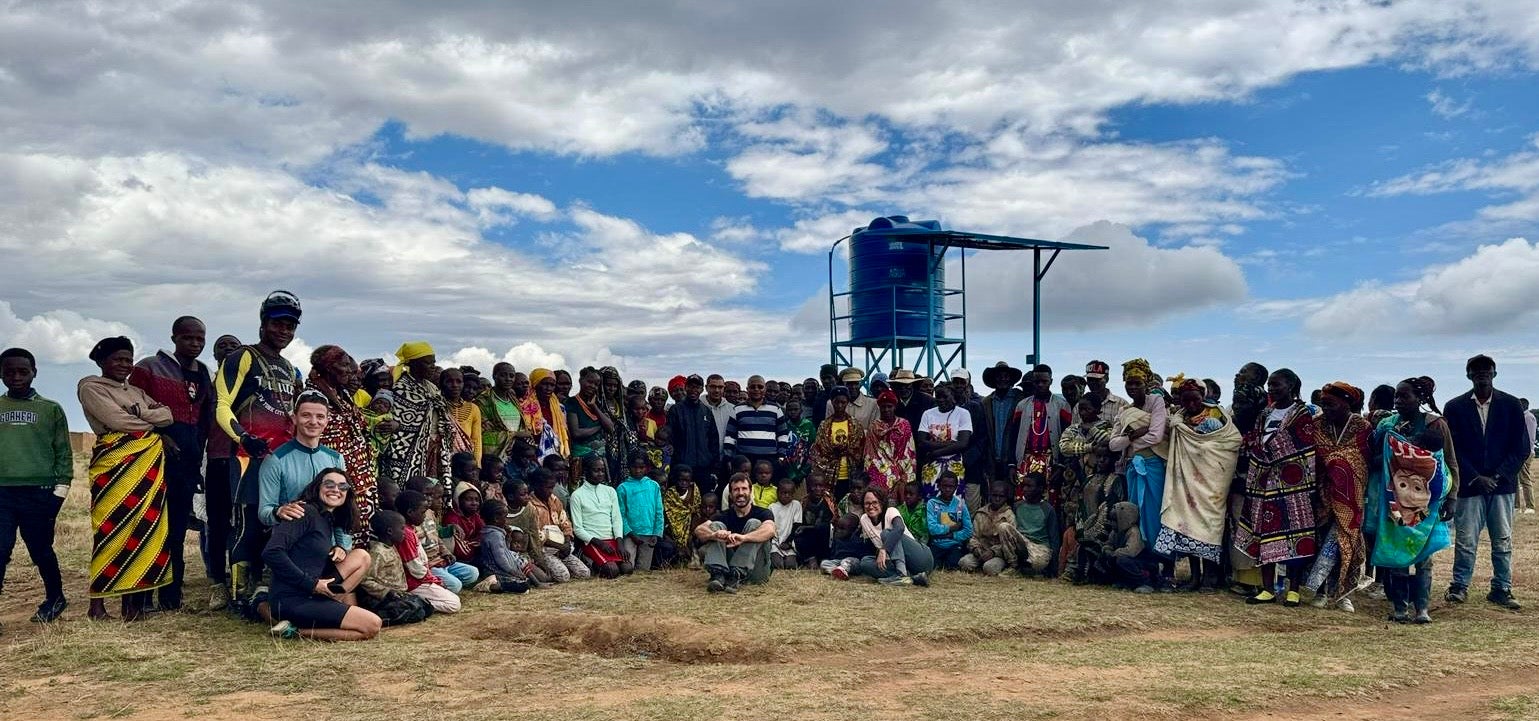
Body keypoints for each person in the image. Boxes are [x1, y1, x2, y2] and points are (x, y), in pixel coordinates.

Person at [215, 291, 304, 607]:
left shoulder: (292, 370)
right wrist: (242, 437)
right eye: (278, 324)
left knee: (281, 525)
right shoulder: (242, 357)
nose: (284, 331)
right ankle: (238, 597)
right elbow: (221, 403)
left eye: (290, 326)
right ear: (263, 323)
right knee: (247, 525)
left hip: (282, 461)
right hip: (246, 458)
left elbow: (296, 413)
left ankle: (268, 589)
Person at [79, 336, 176, 621]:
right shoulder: (91, 387)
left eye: (128, 359)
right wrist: (149, 421)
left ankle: (130, 606)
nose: (124, 365)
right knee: (111, 531)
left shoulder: (135, 392)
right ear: (101, 362)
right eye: (118, 359)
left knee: (143, 532)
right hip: (114, 465)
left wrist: (140, 413)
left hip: (146, 465)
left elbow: (167, 415)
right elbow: (116, 421)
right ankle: (96, 606)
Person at [127, 316, 213, 611]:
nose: (195, 344)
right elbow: (132, 408)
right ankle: (139, 599)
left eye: (200, 339)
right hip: (152, 458)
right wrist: (160, 436)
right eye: (189, 338)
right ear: (174, 337)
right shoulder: (149, 367)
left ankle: (171, 597)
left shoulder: (204, 373)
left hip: (187, 463)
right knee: (148, 528)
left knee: (175, 531)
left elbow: (206, 418)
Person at [1371, 377, 1459, 624]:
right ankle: (1400, 609)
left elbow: (1449, 461)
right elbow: (1376, 460)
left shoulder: (1435, 424)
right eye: (1397, 396)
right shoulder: (1389, 425)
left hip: (1428, 504)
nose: (1398, 401)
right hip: (1395, 503)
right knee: (1398, 555)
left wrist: (1452, 498)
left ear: (1420, 399)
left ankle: (1422, 609)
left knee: (1423, 558)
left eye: (1404, 396)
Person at [1442, 354, 1526, 610]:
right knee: (1466, 540)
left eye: (1486, 370)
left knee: (1502, 539)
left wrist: (1497, 476)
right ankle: (1459, 586)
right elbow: (1452, 448)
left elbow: (1520, 447)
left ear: (1494, 373)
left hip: (1501, 486)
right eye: (1476, 371)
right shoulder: (1454, 407)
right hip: (1470, 485)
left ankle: (1502, 588)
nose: (1482, 374)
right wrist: (1474, 477)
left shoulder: (1511, 405)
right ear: (1468, 375)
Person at [261, 469, 381, 641]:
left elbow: (308, 550)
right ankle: (293, 631)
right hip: (294, 598)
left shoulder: (326, 519)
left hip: (312, 591)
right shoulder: (304, 512)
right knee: (372, 626)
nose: (336, 489)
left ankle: (332, 607)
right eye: (329, 484)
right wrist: (312, 584)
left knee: (362, 556)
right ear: (317, 488)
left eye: (342, 486)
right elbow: (271, 552)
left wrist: (336, 548)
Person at [0, 347, 73, 627]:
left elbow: (63, 452)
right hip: (2, 492)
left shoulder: (50, 409)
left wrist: (60, 490)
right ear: (1, 373)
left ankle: (55, 597)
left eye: (23, 371)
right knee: (0, 550)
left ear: (34, 372)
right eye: (9, 371)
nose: (16, 377)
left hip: (39, 492)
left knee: (41, 549)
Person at [1235, 368, 1318, 607]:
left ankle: (1293, 590)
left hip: (1293, 484)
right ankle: (1268, 588)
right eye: (1270, 385)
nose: (1271, 389)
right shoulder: (1266, 413)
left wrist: (1265, 453)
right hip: (1263, 482)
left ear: (1291, 386)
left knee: (1294, 535)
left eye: (1277, 385)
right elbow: (1256, 439)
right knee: (1264, 533)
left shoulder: (1302, 413)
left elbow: (1299, 444)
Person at [1153, 379, 1242, 592]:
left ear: (1203, 396)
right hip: (1187, 482)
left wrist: (1205, 448)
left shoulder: (1218, 415)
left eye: (1195, 399)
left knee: (1210, 526)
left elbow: (1231, 441)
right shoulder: (1179, 419)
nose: (1192, 404)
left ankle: (1210, 578)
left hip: (1212, 483)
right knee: (1188, 526)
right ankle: (1194, 577)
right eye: (1186, 400)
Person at [305, 345, 386, 545]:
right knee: (341, 529)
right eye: (344, 366)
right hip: (336, 475)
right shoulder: (314, 397)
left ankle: (360, 569)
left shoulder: (340, 393)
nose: (350, 371)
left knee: (361, 528)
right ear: (328, 367)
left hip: (358, 474)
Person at [258, 391, 349, 562]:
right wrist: (279, 511)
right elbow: (264, 512)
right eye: (306, 415)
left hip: (329, 549)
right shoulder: (275, 460)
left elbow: (342, 510)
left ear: (327, 421)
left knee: (362, 560)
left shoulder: (336, 459)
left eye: (320, 416)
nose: (313, 422)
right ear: (294, 418)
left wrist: (342, 546)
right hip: (294, 546)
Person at [1305, 382, 1372, 612]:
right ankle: (1320, 591)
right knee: (1320, 540)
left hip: (1351, 498)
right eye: (1323, 405)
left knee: (1346, 544)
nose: (1326, 410)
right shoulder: (1317, 425)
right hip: (1320, 493)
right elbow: (1311, 457)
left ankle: (1344, 593)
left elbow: (1362, 462)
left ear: (1346, 404)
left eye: (1331, 404)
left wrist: (1339, 464)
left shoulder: (1361, 427)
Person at [1108, 358, 1170, 586]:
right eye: (1129, 384)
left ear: (1145, 383)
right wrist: (1131, 436)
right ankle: (1140, 563)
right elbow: (1112, 445)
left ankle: (1161, 566)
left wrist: (1128, 441)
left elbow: (1156, 435)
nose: (1132, 388)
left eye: (1136, 383)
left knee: (1153, 516)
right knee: (1135, 515)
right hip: (1133, 469)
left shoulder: (1156, 402)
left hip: (1153, 468)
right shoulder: (1124, 410)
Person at [378, 342, 457, 489]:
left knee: (434, 491)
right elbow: (397, 420)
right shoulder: (400, 387)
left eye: (433, 362)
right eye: (427, 363)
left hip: (434, 448)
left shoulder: (432, 387)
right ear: (412, 364)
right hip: (410, 450)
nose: (432, 366)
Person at [201, 334, 242, 610]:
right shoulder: (208, 384)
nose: (227, 348)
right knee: (216, 525)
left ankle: (244, 584)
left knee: (246, 524)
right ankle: (218, 583)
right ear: (214, 353)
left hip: (247, 460)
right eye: (222, 345)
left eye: (233, 345)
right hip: (216, 459)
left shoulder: (249, 381)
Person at [696, 473, 777, 593]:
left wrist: (744, 538)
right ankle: (718, 575)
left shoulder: (763, 513)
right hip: (728, 572)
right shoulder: (723, 515)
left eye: (744, 489)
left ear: (750, 491)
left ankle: (737, 574)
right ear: (730, 494)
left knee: (754, 523)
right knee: (715, 526)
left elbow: (770, 530)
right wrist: (714, 535)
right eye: (736, 490)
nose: (740, 493)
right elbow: (699, 530)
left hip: (756, 571)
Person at [355, 510, 433, 626]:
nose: (404, 532)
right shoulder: (378, 552)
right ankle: (380, 618)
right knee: (413, 610)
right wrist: (387, 592)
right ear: (390, 531)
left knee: (426, 606)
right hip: (382, 597)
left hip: (399, 593)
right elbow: (365, 579)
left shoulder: (391, 547)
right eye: (401, 529)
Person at [393, 492, 463, 613]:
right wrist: (434, 580)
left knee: (453, 595)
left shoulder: (410, 529)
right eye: (423, 512)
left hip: (422, 578)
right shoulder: (406, 534)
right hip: (414, 583)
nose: (425, 516)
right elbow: (415, 568)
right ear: (410, 512)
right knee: (454, 604)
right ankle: (413, 603)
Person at [1014, 365, 1073, 507]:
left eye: (1044, 381)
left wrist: (1060, 466)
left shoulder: (1062, 405)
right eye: (1037, 382)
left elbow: (1068, 435)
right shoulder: (1022, 405)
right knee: (1023, 500)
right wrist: (1012, 464)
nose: (1040, 385)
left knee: (1050, 501)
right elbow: (1013, 435)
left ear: (1051, 381)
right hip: (1025, 460)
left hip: (1051, 461)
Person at [856, 485, 934, 586]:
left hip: (920, 558)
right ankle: (912, 578)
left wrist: (884, 549)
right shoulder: (864, 519)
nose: (871, 506)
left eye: (875, 502)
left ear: (882, 503)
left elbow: (899, 528)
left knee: (886, 533)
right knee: (865, 562)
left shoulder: (891, 511)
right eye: (867, 503)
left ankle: (901, 574)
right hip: (900, 562)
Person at [568, 457, 631, 578]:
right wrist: (600, 544)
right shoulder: (577, 495)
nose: (600, 474)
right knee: (612, 571)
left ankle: (598, 563)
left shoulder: (610, 491)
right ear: (586, 471)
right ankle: (589, 561)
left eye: (602, 470)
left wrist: (620, 543)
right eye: (596, 470)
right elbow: (578, 528)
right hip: (593, 541)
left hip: (611, 540)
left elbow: (616, 519)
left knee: (627, 569)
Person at [960, 481, 1035, 576]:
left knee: (989, 568)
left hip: (999, 554)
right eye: (994, 495)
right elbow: (973, 536)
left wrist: (993, 552)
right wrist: (976, 549)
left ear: (1006, 497)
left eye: (1001, 496)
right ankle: (979, 565)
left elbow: (1011, 542)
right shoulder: (981, 513)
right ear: (989, 495)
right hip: (981, 551)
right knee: (964, 563)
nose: (997, 499)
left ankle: (1009, 568)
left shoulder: (1009, 515)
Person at [722, 375, 789, 478]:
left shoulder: (776, 409)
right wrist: (728, 458)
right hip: (745, 460)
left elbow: (783, 435)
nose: (756, 389)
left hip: (769, 460)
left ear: (765, 389)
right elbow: (730, 437)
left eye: (760, 387)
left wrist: (781, 457)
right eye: (753, 387)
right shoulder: (737, 409)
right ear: (747, 389)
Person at [918, 385, 974, 503]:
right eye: (938, 397)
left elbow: (963, 443)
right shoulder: (928, 414)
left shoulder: (963, 414)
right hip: (931, 465)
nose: (941, 400)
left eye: (945, 397)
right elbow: (922, 442)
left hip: (953, 463)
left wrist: (935, 453)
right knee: (930, 499)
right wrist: (950, 443)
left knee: (954, 500)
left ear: (953, 397)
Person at [565, 367, 617, 486]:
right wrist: (599, 427)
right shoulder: (572, 402)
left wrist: (594, 406)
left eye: (596, 384)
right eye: (589, 382)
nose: (593, 386)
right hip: (581, 459)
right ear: (580, 380)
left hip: (600, 458)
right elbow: (576, 433)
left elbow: (610, 428)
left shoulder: (598, 404)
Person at [669, 374, 719, 495]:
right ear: (685, 388)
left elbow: (713, 439)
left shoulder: (707, 411)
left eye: (697, 387)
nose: (694, 390)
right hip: (682, 468)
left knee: (703, 502)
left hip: (703, 468)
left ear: (702, 389)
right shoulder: (676, 410)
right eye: (691, 386)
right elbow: (670, 438)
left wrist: (712, 464)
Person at [812, 386, 866, 499]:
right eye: (837, 402)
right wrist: (834, 451)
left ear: (847, 402)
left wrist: (846, 449)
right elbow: (819, 451)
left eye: (843, 402)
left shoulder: (855, 425)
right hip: (829, 475)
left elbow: (860, 449)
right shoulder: (824, 425)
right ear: (832, 402)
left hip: (851, 475)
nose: (840, 405)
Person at [617, 453, 666, 572]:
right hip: (630, 534)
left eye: (641, 467)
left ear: (647, 468)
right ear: (629, 467)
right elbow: (620, 514)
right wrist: (630, 533)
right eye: (635, 467)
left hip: (649, 534)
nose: (638, 470)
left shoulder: (653, 486)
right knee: (627, 567)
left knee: (643, 570)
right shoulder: (623, 488)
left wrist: (656, 533)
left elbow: (659, 511)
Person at [478, 498, 540, 591]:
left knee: (524, 582)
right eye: (505, 517)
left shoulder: (496, 533)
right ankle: (494, 586)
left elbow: (504, 550)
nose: (507, 520)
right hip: (496, 571)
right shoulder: (494, 535)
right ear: (496, 519)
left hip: (500, 570)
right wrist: (512, 571)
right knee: (523, 585)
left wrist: (507, 538)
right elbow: (500, 558)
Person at [863, 390, 915, 495]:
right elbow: (870, 454)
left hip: (903, 465)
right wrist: (889, 470)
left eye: (889, 406)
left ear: (894, 407)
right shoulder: (874, 427)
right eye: (883, 407)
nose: (886, 409)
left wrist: (898, 468)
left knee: (905, 485)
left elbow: (909, 449)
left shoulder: (904, 424)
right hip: (880, 467)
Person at [980, 362, 1023, 484]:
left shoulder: (1020, 399)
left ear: (1011, 379)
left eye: (1006, 376)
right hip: (992, 458)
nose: (1003, 379)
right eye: (999, 376)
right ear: (994, 379)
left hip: (1014, 458)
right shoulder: (986, 402)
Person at [475, 363, 527, 463]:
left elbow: (522, 427)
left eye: (511, 376)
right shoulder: (483, 401)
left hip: (517, 455)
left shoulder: (513, 400)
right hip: (495, 458)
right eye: (503, 375)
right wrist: (514, 435)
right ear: (494, 376)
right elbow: (483, 434)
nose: (508, 379)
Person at [925, 471, 973, 569]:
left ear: (956, 487)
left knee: (953, 565)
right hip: (937, 544)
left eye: (951, 486)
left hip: (954, 545)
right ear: (939, 486)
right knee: (931, 565)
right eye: (944, 486)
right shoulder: (932, 503)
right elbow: (932, 528)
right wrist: (952, 528)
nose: (947, 489)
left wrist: (952, 535)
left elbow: (968, 531)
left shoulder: (960, 505)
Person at [440, 368, 482, 464]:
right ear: (442, 384)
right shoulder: (437, 405)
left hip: (466, 463)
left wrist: (477, 465)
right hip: (442, 460)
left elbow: (476, 441)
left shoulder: (474, 408)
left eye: (459, 381)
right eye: (449, 381)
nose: (455, 385)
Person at [525, 368, 569, 461]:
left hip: (555, 453)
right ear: (535, 384)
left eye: (552, 385)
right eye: (545, 384)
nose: (548, 388)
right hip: (532, 453)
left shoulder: (560, 408)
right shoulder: (525, 405)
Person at [662, 465, 701, 566]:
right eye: (681, 480)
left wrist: (691, 532)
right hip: (672, 530)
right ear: (675, 480)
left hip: (692, 527)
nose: (684, 483)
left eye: (687, 480)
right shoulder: (670, 495)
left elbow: (697, 512)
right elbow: (670, 517)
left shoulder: (694, 491)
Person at [795, 473, 837, 567]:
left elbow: (830, 524)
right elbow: (799, 523)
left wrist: (806, 527)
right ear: (809, 487)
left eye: (821, 486)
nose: (818, 489)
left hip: (823, 538)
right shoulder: (803, 502)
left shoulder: (829, 502)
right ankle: (810, 558)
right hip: (808, 538)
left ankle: (823, 558)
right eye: (815, 486)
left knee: (824, 529)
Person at [768, 479, 803, 569]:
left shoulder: (796, 505)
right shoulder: (772, 507)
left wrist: (788, 542)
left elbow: (797, 526)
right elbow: (770, 527)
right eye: (784, 493)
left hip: (790, 543)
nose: (787, 496)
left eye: (790, 493)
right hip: (775, 543)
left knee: (790, 566)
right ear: (778, 492)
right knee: (777, 565)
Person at [888, 369, 935, 434]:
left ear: (913, 385)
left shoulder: (928, 401)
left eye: (907, 385)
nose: (903, 388)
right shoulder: (890, 401)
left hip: (920, 441)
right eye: (900, 385)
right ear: (896, 386)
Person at [1519, 398, 1536, 514]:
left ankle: (1530, 506)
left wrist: (1526, 453)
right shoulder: (1522, 417)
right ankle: (1516, 506)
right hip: (1520, 452)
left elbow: (1530, 437)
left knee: (1525, 479)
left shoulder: (1528, 417)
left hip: (1526, 452)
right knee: (1516, 479)